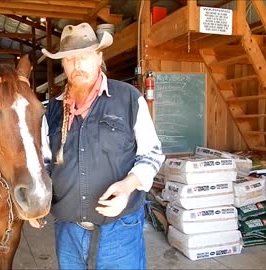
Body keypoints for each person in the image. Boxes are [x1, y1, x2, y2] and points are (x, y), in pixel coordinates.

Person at [30, 22, 165, 270]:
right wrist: (38, 202)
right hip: (68, 232)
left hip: (119, 231)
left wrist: (127, 187)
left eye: (84, 56)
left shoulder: (128, 98)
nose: (77, 65)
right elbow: (45, 164)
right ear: (63, 64)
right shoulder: (51, 111)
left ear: (99, 57)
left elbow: (152, 154)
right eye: (70, 59)